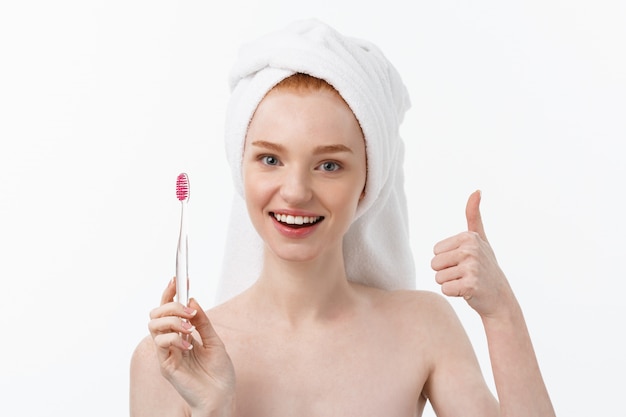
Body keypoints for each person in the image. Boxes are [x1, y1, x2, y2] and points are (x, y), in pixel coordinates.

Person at [130, 19, 555, 417]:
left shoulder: (423, 328)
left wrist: (501, 313)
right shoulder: (172, 359)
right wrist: (215, 408)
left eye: (329, 165)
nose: (295, 191)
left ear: (368, 183)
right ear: (241, 169)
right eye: (270, 158)